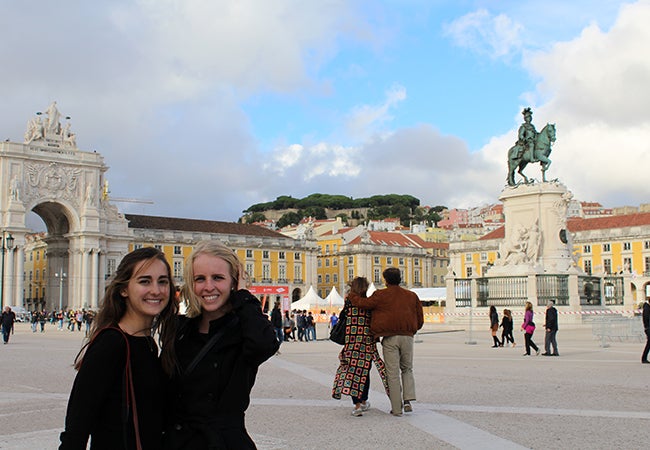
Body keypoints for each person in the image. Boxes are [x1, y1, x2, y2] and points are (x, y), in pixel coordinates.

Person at [163, 241, 279, 449]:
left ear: (234, 282)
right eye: (200, 279)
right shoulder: (180, 330)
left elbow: (264, 345)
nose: (208, 287)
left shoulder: (243, 331)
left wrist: (243, 296)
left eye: (218, 278)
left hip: (224, 442)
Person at [59, 247, 178, 449]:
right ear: (123, 289)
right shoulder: (111, 344)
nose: (156, 290)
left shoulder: (149, 343)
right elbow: (77, 427)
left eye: (163, 281)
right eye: (144, 281)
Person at [348, 267, 423, 416]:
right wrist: (412, 330)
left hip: (389, 337)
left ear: (385, 280)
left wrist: (352, 295)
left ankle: (396, 409)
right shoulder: (411, 295)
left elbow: (364, 304)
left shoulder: (380, 295)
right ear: (400, 278)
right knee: (407, 369)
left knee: (392, 372)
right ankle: (408, 400)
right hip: (407, 337)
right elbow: (420, 318)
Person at [332, 277, 389, 417]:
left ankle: (356, 405)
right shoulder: (370, 303)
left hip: (351, 342)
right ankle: (363, 400)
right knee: (365, 372)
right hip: (367, 343)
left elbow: (342, 317)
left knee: (353, 372)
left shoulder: (349, 302)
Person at [642, 298, 650, 364]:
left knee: (649, 344)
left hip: (648, 328)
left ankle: (644, 358)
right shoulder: (647, 308)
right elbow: (646, 318)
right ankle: (644, 358)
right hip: (648, 328)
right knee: (649, 344)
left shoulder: (647, 307)